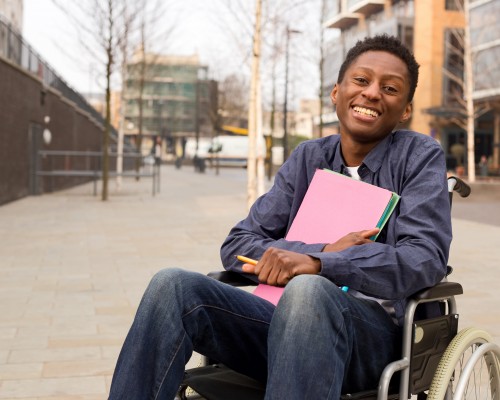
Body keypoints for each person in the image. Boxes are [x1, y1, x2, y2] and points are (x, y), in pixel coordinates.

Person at [108, 35, 452, 399]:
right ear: (337, 93)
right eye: (361, 81)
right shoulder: (307, 158)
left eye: (390, 88)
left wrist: (322, 265)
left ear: (405, 110)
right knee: (171, 285)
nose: (371, 93)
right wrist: (316, 253)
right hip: (279, 322)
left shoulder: (419, 156)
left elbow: (424, 258)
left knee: (308, 291)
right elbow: (239, 243)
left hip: (371, 338)